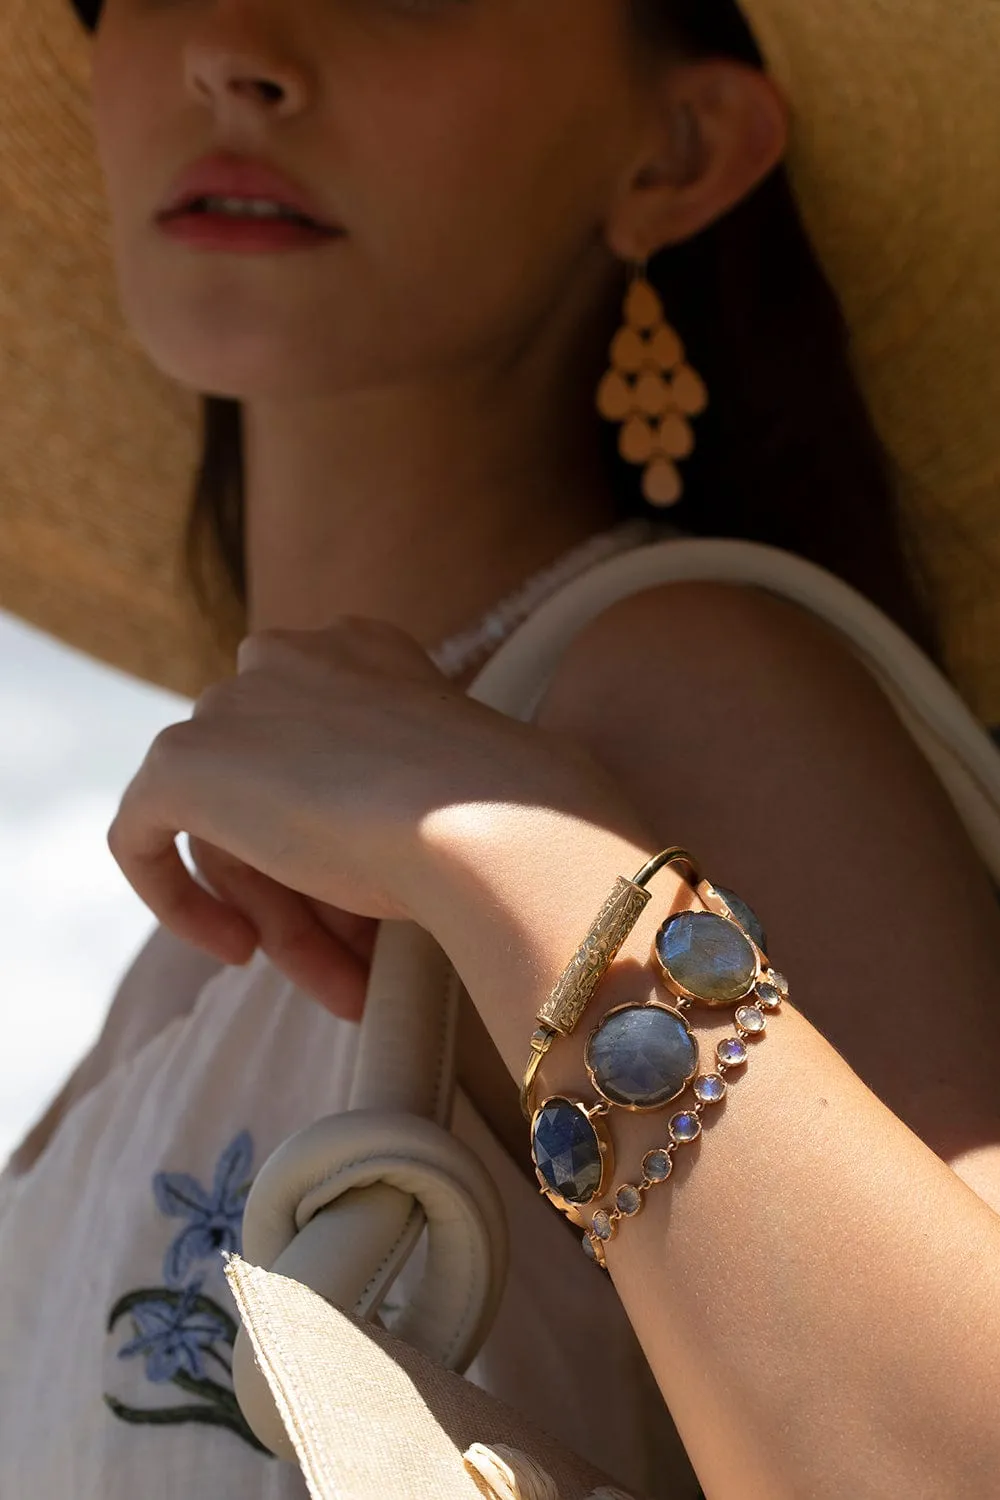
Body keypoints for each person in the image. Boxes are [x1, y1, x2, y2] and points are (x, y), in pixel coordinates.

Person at [1, 0, 999, 1495]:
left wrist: (511, 847)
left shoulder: (675, 688)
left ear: (680, 149)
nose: (232, 47)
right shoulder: (199, 928)